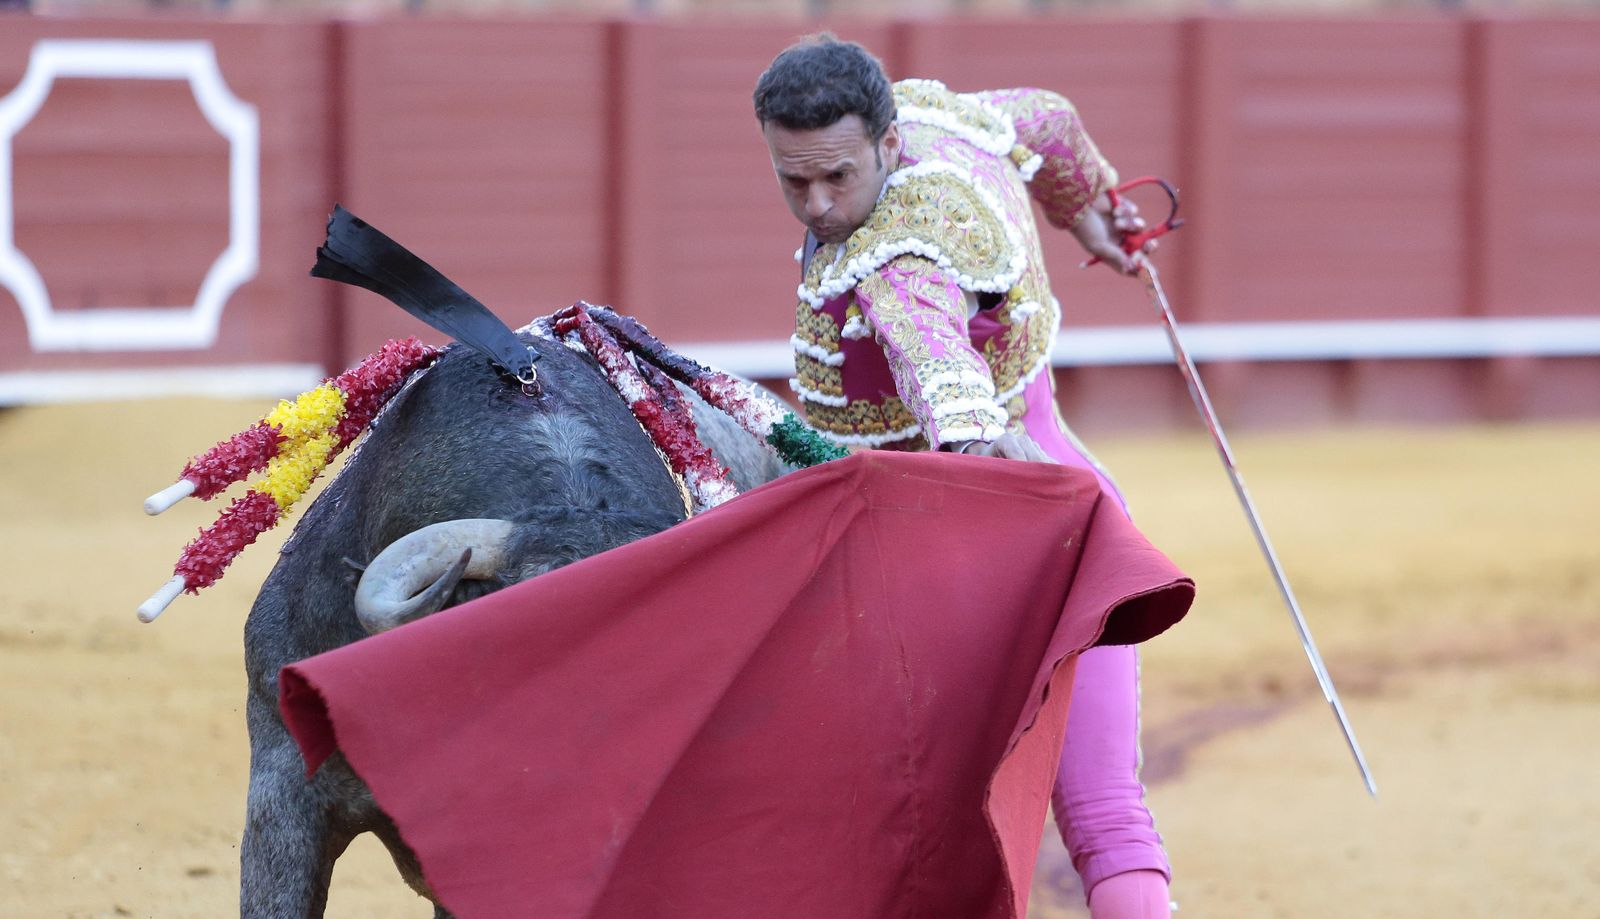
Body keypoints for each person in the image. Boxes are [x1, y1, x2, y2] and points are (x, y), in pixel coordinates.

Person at [753, 35, 1171, 919]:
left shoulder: (897, 260)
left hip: (965, 553)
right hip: (1075, 511)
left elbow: (935, 362)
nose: (820, 205)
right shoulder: (944, 119)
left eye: (837, 177)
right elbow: (1047, 121)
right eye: (796, 181)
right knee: (1107, 815)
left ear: (886, 145)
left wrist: (975, 442)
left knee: (917, 838)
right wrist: (1091, 214)